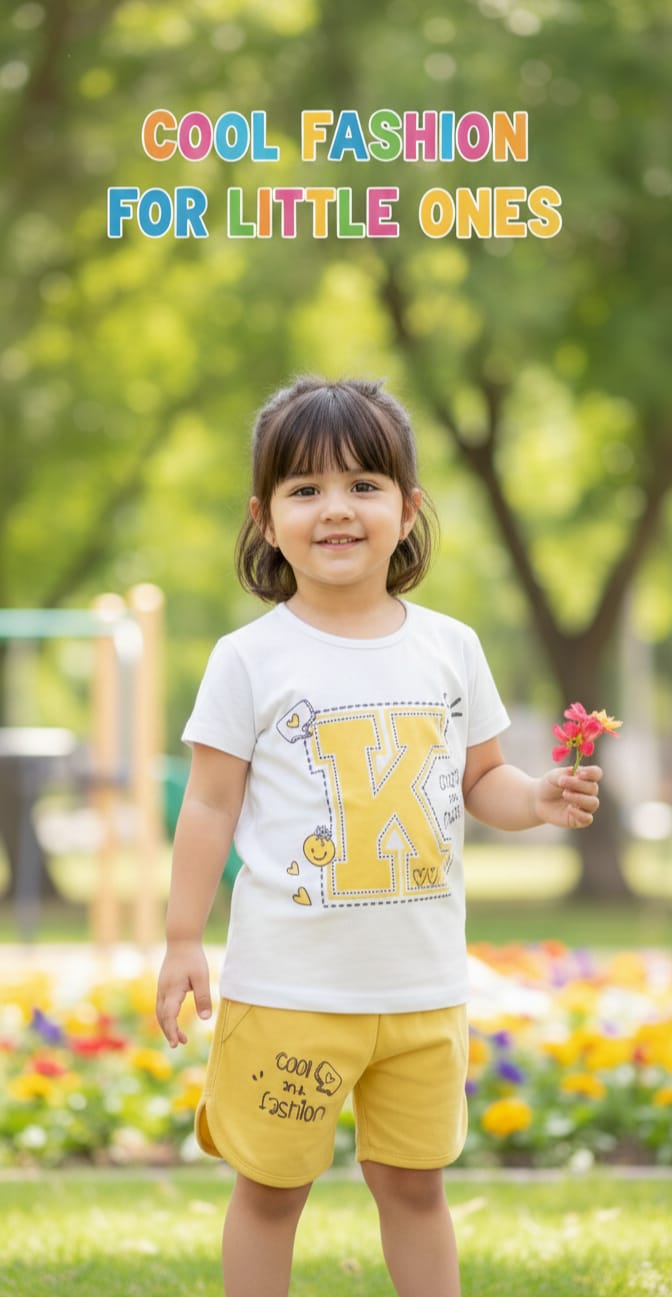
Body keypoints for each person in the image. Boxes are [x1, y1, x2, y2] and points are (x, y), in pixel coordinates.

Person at [156, 376, 602, 1297]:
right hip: (287, 989)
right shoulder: (249, 657)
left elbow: (485, 780)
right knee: (272, 1189)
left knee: (413, 1184)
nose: (337, 509)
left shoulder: (451, 646)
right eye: (305, 488)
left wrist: (539, 796)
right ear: (264, 516)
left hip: (420, 989)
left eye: (364, 484)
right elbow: (207, 806)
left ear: (409, 508)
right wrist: (178, 940)